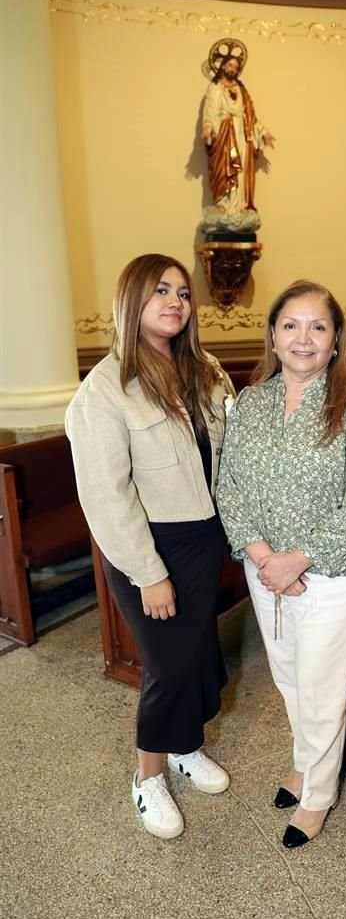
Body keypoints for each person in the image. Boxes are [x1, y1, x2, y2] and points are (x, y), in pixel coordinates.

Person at [65, 253, 235, 840]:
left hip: (203, 533)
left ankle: (186, 746)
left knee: (196, 650)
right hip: (149, 544)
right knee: (165, 663)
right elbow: (107, 497)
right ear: (131, 300)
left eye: (184, 294)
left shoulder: (205, 370)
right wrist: (147, 572)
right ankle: (148, 776)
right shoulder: (104, 391)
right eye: (160, 290)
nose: (175, 302)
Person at [216, 280, 346, 849]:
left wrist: (300, 559)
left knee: (322, 688)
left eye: (318, 326)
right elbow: (230, 486)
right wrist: (264, 557)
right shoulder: (253, 401)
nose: (304, 337)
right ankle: (305, 764)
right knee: (290, 678)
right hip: (264, 570)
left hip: (331, 572)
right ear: (272, 334)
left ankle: (319, 794)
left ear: (337, 338)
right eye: (291, 325)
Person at [202, 48, 275, 216]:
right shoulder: (215, 87)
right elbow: (210, 110)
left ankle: (238, 206)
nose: (233, 69)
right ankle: (223, 202)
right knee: (223, 167)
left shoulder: (242, 90)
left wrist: (263, 133)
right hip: (224, 132)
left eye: (236, 67)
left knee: (240, 169)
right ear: (223, 67)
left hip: (241, 134)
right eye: (230, 65)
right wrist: (208, 126)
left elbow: (250, 116)